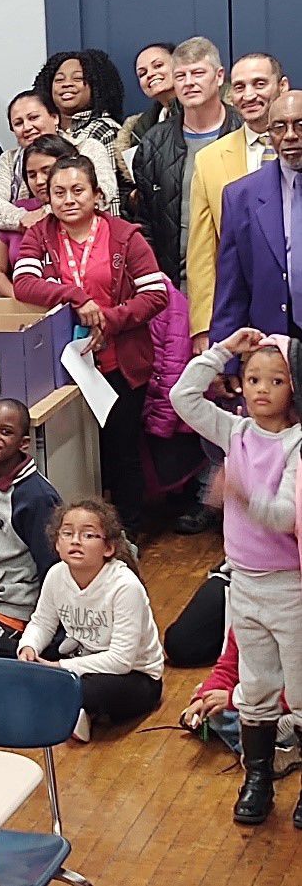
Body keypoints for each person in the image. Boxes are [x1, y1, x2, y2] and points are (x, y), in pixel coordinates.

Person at [171, 328, 302, 824]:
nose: (261, 388)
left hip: (288, 585)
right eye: (251, 378)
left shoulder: (297, 444)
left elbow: (286, 515)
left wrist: (241, 492)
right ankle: (258, 779)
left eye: (276, 379)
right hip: (243, 581)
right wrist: (222, 351)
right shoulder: (237, 432)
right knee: (256, 684)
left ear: (296, 387)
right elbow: (182, 396)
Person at [14, 155, 168, 536]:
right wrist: (75, 297)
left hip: (120, 363)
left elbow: (156, 293)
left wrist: (108, 319)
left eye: (78, 190)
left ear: (97, 194)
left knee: (122, 453)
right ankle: (79, 536)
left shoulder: (124, 236)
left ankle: (127, 536)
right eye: (58, 192)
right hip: (64, 367)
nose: (68, 200)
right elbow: (23, 283)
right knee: (78, 456)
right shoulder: (40, 235)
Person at [18, 500, 165, 744]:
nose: (75, 541)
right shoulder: (57, 575)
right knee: (12, 660)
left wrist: (58, 669)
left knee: (88, 690)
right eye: (67, 533)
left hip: (135, 676)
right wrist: (29, 647)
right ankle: (73, 707)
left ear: (108, 547)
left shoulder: (124, 586)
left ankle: (75, 706)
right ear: (57, 543)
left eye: (88, 535)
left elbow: (120, 660)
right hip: (82, 660)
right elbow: (42, 622)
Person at [188, 54, 290, 350]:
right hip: (248, 321)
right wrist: (205, 329)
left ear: (281, 86)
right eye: (240, 87)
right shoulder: (209, 160)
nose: (249, 95)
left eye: (259, 84)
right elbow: (203, 253)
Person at [133, 36, 244, 290]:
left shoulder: (245, 131)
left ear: (218, 76)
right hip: (176, 285)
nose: (189, 82)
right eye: (181, 76)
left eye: (198, 73)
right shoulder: (153, 142)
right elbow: (144, 219)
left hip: (242, 281)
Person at [0, 399, 61, 657]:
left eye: (5, 432)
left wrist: (46, 634)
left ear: (24, 443)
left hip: (16, 608)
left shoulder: (37, 497)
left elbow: (52, 568)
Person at [213, 91, 302, 344]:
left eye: (300, 124)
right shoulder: (241, 196)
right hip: (274, 345)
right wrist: (224, 361)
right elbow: (231, 290)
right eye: (279, 127)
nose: (290, 135)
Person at [0, 90, 117, 230]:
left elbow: (103, 192)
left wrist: (45, 215)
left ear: (55, 117)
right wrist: (22, 218)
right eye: (18, 123)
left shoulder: (85, 147)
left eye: (33, 118)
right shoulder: (9, 160)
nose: (27, 127)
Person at [182, 628, 301, 775]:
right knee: (215, 709)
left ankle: (267, 746)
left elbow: (295, 695)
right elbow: (227, 667)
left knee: (285, 723)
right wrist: (203, 697)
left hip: (289, 707)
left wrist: (234, 699)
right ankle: (269, 746)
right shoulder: (247, 618)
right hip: (257, 703)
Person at [0, 135, 74, 298]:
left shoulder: (78, 214)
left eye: (46, 171)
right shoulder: (20, 212)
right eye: (32, 175)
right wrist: (20, 299)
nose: (39, 181)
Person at [34, 50, 126, 173]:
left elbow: (110, 185)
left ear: (96, 86)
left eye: (78, 78)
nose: (67, 84)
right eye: (59, 80)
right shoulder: (45, 129)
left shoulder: (103, 129)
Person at [118, 42, 178, 155]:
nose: (150, 74)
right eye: (142, 73)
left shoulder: (206, 110)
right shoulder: (141, 128)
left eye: (158, 65)